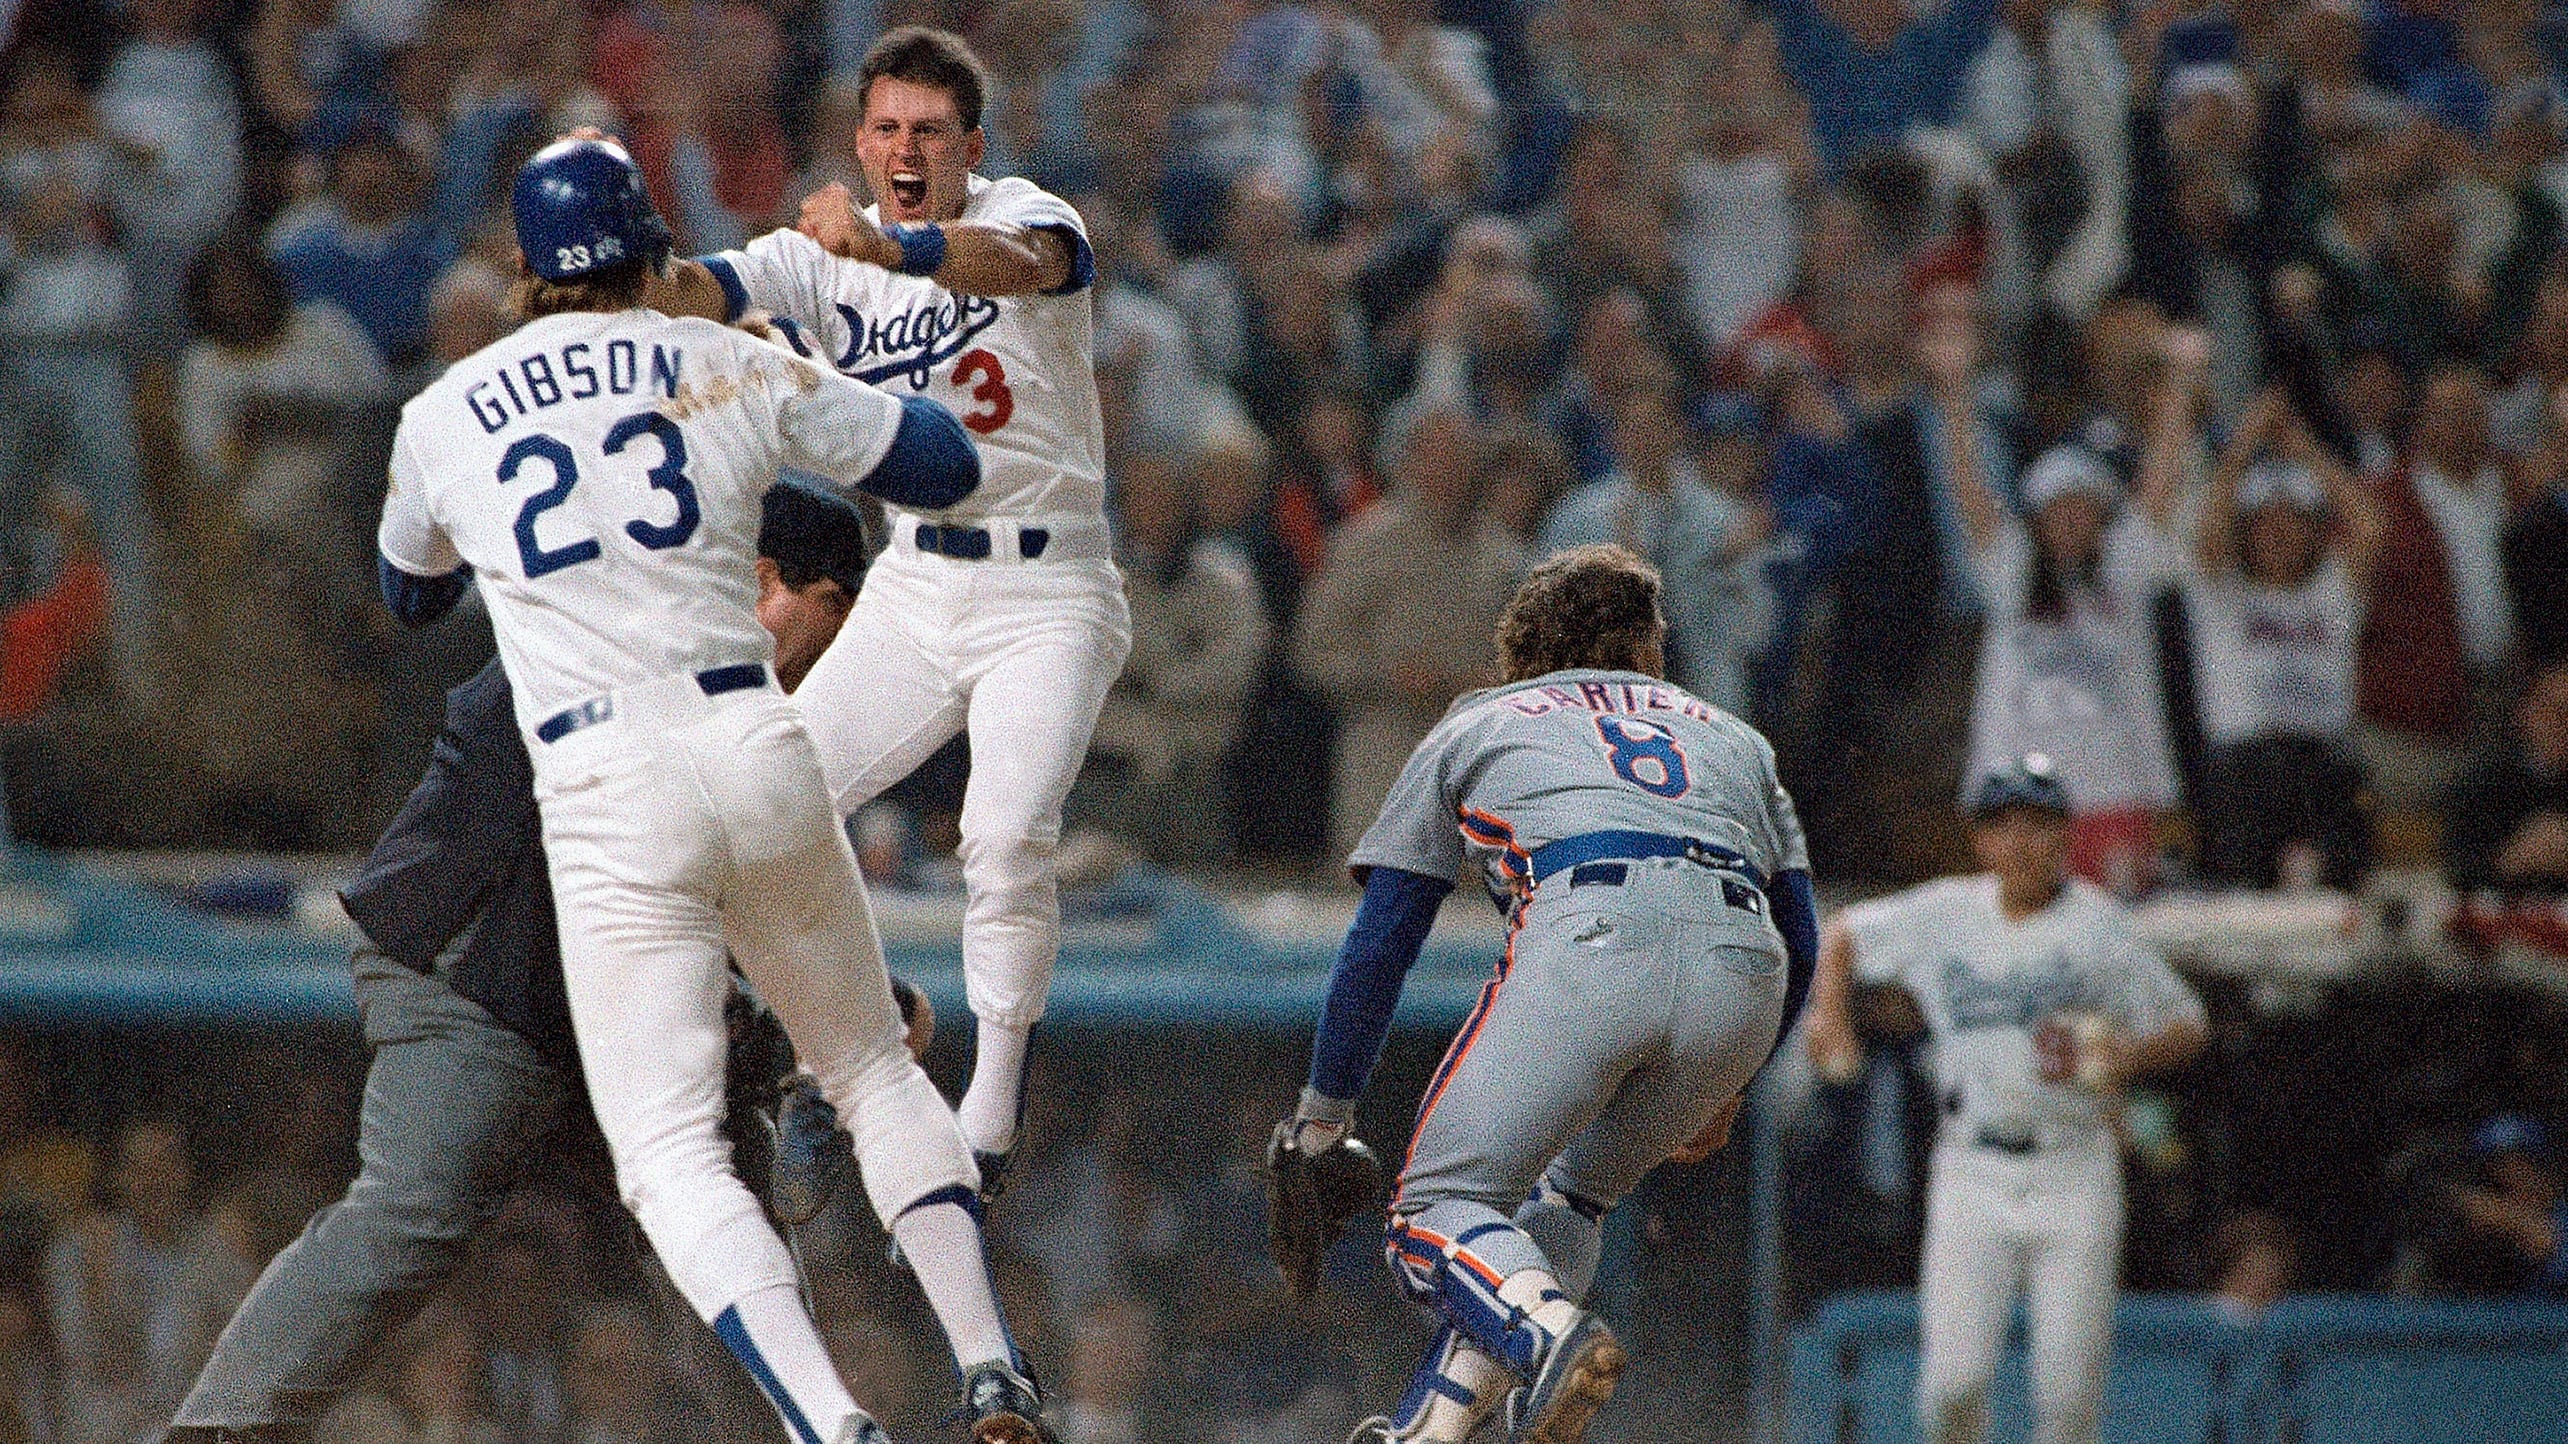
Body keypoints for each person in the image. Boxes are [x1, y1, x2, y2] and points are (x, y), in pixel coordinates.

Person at [370, 137, 1044, 1444]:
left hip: (607, 782)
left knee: (671, 1155)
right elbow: (941, 464)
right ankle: (992, 1366)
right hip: (752, 741)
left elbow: (410, 594)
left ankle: (828, 1424)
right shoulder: (718, 353)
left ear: (525, 269)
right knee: (871, 1068)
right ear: (654, 254)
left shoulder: (445, 413)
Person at [165, 483, 916, 1444]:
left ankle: (809, 1427)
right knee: (416, 1214)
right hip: (477, 969)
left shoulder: (714, 675)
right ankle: (211, 1434)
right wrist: (814, 1019)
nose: (840, 651)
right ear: (771, 583)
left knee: (732, 1220)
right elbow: (649, 874)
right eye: (837, 613)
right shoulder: (617, 639)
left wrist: (835, 1016)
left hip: (589, 989)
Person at [645, 25, 1131, 1188]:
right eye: (886, 129)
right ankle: (860, 1033)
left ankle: (990, 1122)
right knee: (760, 812)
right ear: (859, 139)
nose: (906, 146)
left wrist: (898, 244)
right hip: (918, 577)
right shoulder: (821, 253)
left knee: (1004, 838)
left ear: (971, 141)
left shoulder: (1026, 211)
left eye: (929, 130)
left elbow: (1020, 265)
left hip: (1049, 584)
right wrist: (617, 273)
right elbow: (705, 287)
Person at [1273, 545, 1821, 1444]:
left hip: (1595, 930)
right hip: (1743, 958)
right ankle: (1431, 1435)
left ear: (1522, 646)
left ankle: (1551, 1333)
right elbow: (1800, 929)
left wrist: (1324, 1109)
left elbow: (1387, 932)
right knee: (1567, 1201)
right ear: (1648, 648)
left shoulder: (1478, 719)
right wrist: (1732, 1080)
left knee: (1431, 1212)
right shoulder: (1734, 734)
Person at [1803, 754, 2208, 1444]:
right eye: (2003, 825)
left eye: (2037, 823)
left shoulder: (2098, 924)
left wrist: (2126, 1057)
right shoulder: (1946, 912)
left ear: (2064, 834)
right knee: (1951, 1388)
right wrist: (1829, 1016)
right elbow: (1840, 933)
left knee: (2069, 1395)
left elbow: (2188, 1022)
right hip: (1972, 1168)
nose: (2020, 841)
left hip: (2073, 1165)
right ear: (1981, 839)